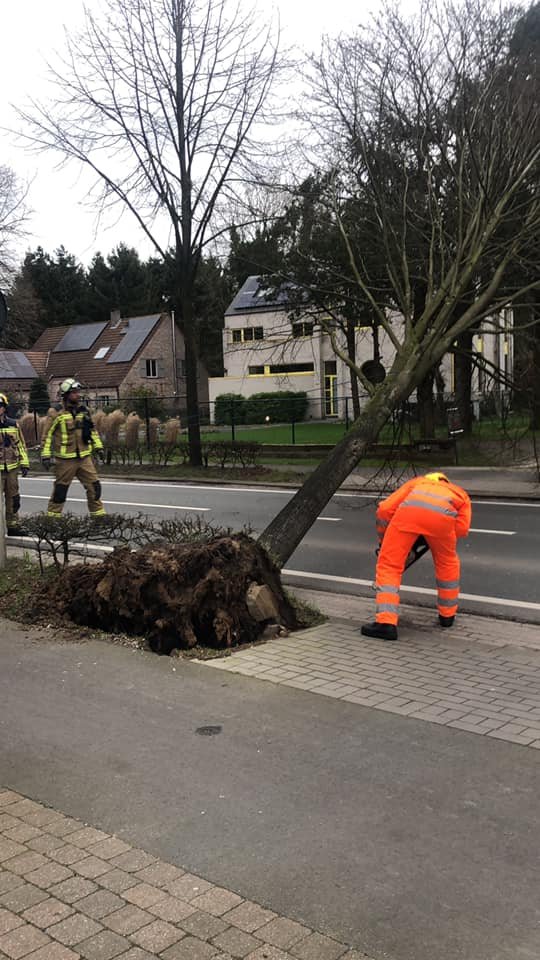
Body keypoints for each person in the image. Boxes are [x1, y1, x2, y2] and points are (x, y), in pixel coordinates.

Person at [361, 471, 471, 642]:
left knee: (389, 566)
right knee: (447, 563)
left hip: (406, 519)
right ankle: (447, 617)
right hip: (443, 523)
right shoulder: (459, 493)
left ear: (429, 478)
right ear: (445, 482)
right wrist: (436, 536)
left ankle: (386, 623)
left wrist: (384, 541)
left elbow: (385, 509)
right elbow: (462, 530)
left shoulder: (416, 483)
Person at [41, 379, 106, 518]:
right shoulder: (55, 413)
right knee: (60, 491)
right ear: (66, 394)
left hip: (84, 458)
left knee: (95, 488)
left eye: (78, 392)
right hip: (65, 461)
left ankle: (99, 519)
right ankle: (53, 521)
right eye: (75, 392)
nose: (78, 395)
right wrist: (45, 455)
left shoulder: (84, 411)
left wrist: (99, 447)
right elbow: (47, 435)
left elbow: (91, 430)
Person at [0, 392, 30, 535]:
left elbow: (20, 445)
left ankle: (13, 527)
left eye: (0, 406)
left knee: (13, 498)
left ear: (4, 408)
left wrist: (25, 464)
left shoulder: (13, 424)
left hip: (11, 468)